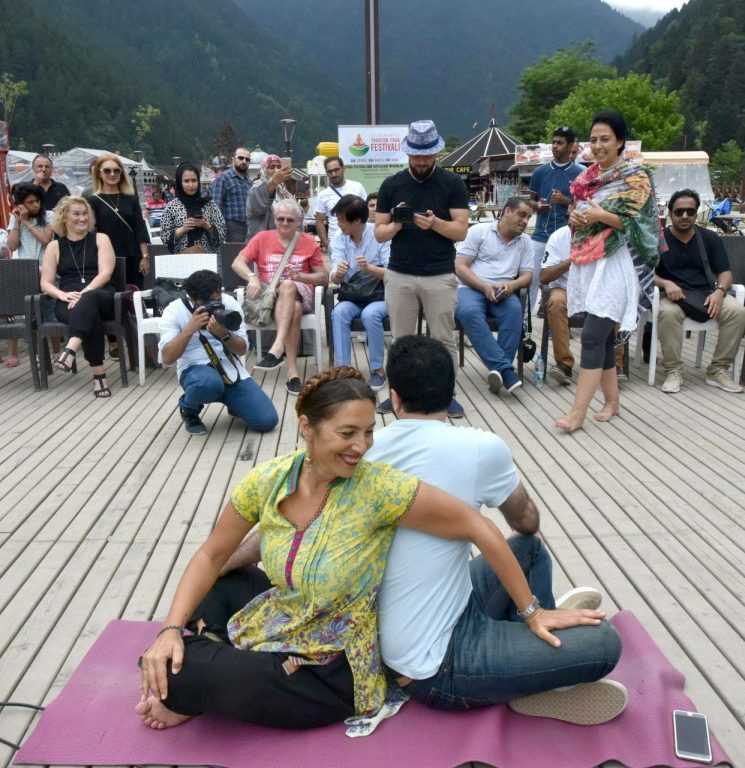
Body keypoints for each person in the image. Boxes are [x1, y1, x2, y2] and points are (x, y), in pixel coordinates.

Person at [136, 365, 614, 732]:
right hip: (286, 618)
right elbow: (211, 554)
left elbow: (479, 527)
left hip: (331, 666)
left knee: (192, 672)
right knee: (220, 588)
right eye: (347, 433)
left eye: (368, 431)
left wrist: (532, 612)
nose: (362, 446)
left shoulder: (379, 488)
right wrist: (170, 628)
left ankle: (186, 685)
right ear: (307, 427)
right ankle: (184, 661)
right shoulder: (268, 479)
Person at [556, 110, 660, 432]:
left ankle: (577, 413)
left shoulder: (635, 177)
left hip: (617, 263)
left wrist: (602, 216)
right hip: (588, 262)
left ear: (620, 143)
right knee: (600, 337)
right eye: (594, 139)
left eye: (605, 139)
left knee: (591, 337)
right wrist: (575, 218)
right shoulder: (584, 180)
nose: (598, 145)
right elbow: (578, 213)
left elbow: (638, 224)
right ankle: (612, 402)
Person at [374, 120, 470, 418]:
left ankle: (446, 395)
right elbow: (378, 232)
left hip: (440, 273)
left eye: (427, 155)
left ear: (436, 153)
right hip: (400, 272)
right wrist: (398, 224)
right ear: (408, 154)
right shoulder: (391, 185)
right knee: (401, 341)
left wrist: (435, 224)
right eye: (416, 155)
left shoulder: (452, 184)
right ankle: (397, 395)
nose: (421, 161)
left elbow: (461, 231)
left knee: (443, 338)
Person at [158, 270, 278, 436]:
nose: (215, 305)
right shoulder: (174, 311)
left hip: (229, 370)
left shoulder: (229, 303)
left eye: (218, 299)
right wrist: (189, 330)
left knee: (267, 420)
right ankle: (188, 409)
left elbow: (242, 349)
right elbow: (167, 358)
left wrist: (224, 334)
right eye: (208, 302)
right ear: (193, 298)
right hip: (195, 370)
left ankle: (234, 403)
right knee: (208, 383)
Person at [232, 198, 328, 395]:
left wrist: (302, 276)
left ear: (298, 221)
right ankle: (293, 374)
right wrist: (252, 277)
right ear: (274, 219)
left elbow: (323, 277)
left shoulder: (309, 242)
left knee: (288, 285)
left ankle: (277, 347)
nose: (284, 223)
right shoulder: (262, 238)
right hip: (270, 295)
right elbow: (237, 263)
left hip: (302, 292)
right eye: (280, 219)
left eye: (290, 220)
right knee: (295, 308)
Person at [656, 189, 745, 394]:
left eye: (690, 211)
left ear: (696, 213)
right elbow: (646, 273)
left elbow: (725, 272)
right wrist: (666, 284)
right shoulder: (659, 239)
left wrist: (720, 291)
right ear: (670, 213)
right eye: (679, 212)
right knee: (668, 313)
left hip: (706, 293)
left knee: (738, 312)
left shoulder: (709, 238)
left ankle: (717, 370)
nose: (685, 216)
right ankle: (673, 371)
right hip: (672, 296)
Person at [39, 196, 118, 398]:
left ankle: (71, 348)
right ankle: (99, 376)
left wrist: (83, 294)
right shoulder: (54, 247)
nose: (82, 218)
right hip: (68, 299)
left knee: (88, 302)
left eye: (85, 214)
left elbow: (105, 274)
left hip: (101, 294)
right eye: (76, 214)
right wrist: (62, 295)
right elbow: (45, 283)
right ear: (64, 217)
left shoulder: (101, 239)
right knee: (90, 317)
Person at [454, 197, 533, 395]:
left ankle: (497, 372)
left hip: (503, 290)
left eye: (528, 217)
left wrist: (511, 285)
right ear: (507, 211)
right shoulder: (479, 232)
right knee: (469, 312)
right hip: (472, 286)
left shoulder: (525, 242)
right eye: (521, 215)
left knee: (515, 311)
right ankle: (505, 371)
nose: (525, 221)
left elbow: (527, 276)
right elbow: (459, 266)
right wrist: (483, 287)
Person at [329, 194, 390, 391]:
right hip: (353, 295)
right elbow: (334, 276)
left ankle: (377, 369)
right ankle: (343, 370)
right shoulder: (339, 239)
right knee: (338, 312)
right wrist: (337, 274)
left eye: (341, 219)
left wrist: (370, 268)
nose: (338, 224)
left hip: (380, 295)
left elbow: (393, 273)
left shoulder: (379, 235)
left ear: (356, 221)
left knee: (370, 314)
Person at [528, 127, 585, 311]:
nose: (555, 146)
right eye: (553, 142)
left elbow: (584, 205)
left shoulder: (581, 173)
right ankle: (524, 326)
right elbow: (530, 202)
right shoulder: (539, 172)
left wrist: (564, 200)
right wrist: (537, 206)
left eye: (560, 143)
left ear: (570, 146)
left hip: (567, 238)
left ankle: (561, 322)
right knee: (533, 281)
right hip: (540, 235)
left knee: (563, 283)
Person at [5, 183, 55, 366]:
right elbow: (11, 246)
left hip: (46, 267)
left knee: (49, 309)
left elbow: (45, 239)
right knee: (18, 310)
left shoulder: (49, 215)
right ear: (20, 204)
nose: (35, 205)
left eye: (37, 201)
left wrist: (26, 222)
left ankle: (55, 351)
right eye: (29, 202)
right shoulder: (15, 218)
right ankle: (13, 352)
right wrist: (18, 223)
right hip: (23, 268)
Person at [87, 154, 151, 291]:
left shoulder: (131, 198)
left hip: (132, 254)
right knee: (110, 296)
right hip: (106, 256)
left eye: (116, 170)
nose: (112, 174)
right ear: (99, 173)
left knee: (134, 294)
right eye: (107, 170)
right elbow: (92, 231)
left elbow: (140, 227)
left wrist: (145, 256)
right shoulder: (93, 200)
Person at [159, 163, 226, 254]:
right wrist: (183, 229)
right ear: (180, 183)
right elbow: (164, 238)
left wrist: (206, 226)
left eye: (194, 180)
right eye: (186, 181)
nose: (191, 185)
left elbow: (222, 234)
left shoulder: (209, 204)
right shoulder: (171, 207)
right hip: (181, 261)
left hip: (208, 260)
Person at [314, 157, 367, 251]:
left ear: (343, 169)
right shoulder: (323, 195)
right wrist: (326, 243)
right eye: (330, 171)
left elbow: (367, 213)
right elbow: (319, 221)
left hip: (359, 241)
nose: (333, 174)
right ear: (326, 173)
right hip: (336, 243)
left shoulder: (357, 187)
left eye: (336, 170)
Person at [245, 154, 294, 239]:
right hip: (262, 240)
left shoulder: (283, 190)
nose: (276, 170)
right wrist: (273, 182)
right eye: (272, 167)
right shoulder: (256, 188)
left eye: (279, 167)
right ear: (263, 170)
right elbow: (258, 207)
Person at [211, 148, 252, 242]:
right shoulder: (223, 178)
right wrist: (219, 231)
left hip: (248, 227)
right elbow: (215, 207)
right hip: (231, 226)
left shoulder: (249, 182)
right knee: (232, 255)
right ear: (233, 159)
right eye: (241, 158)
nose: (244, 161)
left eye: (247, 159)